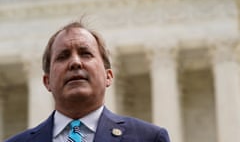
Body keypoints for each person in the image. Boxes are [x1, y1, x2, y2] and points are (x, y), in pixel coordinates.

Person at [5, 19, 170, 142]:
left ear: (108, 76)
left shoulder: (149, 138)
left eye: (86, 53)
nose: (75, 62)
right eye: (63, 56)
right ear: (47, 81)